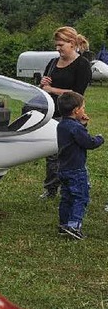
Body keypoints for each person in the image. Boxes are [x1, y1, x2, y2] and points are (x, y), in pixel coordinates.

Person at [39, 26, 92, 199]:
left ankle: (80, 184)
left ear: (71, 43)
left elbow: (76, 94)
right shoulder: (53, 63)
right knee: (51, 153)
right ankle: (51, 188)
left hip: (71, 116)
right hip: (51, 113)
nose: (58, 48)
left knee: (72, 153)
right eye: (56, 45)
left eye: (61, 44)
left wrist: (52, 89)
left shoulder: (82, 65)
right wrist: (43, 83)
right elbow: (45, 86)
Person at [56, 92, 104, 239]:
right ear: (76, 110)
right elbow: (88, 142)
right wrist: (99, 139)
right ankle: (74, 226)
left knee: (67, 197)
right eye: (83, 107)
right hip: (76, 170)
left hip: (63, 169)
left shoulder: (62, 125)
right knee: (80, 197)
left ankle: (64, 224)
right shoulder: (76, 128)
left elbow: (75, 135)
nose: (84, 110)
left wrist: (82, 124)